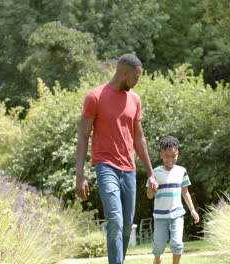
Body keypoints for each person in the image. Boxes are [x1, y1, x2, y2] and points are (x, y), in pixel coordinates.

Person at [75, 53, 158, 264]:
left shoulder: (134, 99)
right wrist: (80, 175)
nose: (137, 82)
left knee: (127, 225)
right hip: (105, 166)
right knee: (116, 220)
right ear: (124, 73)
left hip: (128, 169)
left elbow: (139, 139)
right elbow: (83, 136)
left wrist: (150, 173)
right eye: (135, 78)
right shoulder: (94, 97)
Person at [146, 136, 199, 264]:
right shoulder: (155, 173)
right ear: (161, 155)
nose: (170, 159)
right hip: (160, 215)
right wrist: (152, 189)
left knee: (177, 243)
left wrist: (192, 210)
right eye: (167, 156)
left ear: (178, 154)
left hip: (177, 214)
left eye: (173, 156)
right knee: (158, 247)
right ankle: (157, 258)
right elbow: (149, 196)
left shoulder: (182, 171)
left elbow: (185, 192)